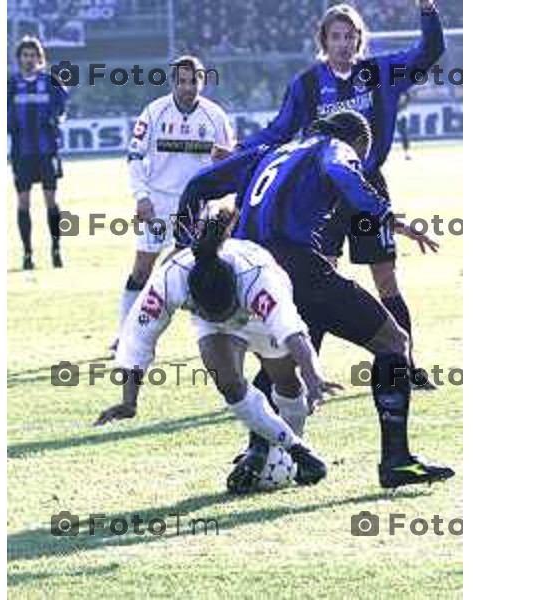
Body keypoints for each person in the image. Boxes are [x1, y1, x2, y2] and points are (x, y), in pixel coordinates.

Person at [175, 110, 454, 489]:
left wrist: (185, 245)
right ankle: (396, 461)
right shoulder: (335, 146)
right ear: (356, 141)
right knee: (393, 342)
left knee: (284, 354)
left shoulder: (271, 151)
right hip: (293, 263)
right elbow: (343, 173)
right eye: (362, 154)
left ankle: (257, 454)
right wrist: (385, 213)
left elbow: (198, 184)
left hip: (247, 270)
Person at [236, 1, 445, 386]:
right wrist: (238, 151)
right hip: (323, 193)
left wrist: (428, 10)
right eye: (336, 37)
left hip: (365, 185)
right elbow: (279, 132)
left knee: (386, 279)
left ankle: (406, 365)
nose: (344, 44)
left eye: (350, 36)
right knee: (319, 280)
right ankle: (296, 373)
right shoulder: (307, 84)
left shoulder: (380, 72)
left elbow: (429, 53)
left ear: (359, 39)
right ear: (324, 40)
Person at [95, 225, 337, 494]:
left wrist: (314, 377)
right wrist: (129, 400)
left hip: (257, 318)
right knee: (228, 383)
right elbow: (137, 338)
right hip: (214, 317)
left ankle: (291, 448)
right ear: (194, 301)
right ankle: (298, 450)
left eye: (223, 313)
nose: (221, 320)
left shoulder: (259, 281)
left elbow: (293, 333)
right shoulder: (171, 278)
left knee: (286, 383)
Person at [114, 55, 235, 351]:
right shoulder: (154, 113)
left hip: (195, 205)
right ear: (173, 82)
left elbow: (231, 159)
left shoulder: (215, 116)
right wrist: (141, 197)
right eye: (182, 81)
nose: (187, 87)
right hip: (157, 202)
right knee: (142, 269)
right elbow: (134, 157)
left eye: (193, 81)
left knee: (190, 267)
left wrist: (226, 158)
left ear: (202, 81)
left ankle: (216, 332)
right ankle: (124, 334)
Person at [7, 36, 68, 270]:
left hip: (47, 152)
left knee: (51, 200)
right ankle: (27, 254)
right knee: (23, 202)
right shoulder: (11, 84)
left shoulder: (50, 81)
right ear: (19, 58)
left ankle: (56, 249)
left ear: (39, 58)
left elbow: (63, 105)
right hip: (22, 153)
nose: (29, 59)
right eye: (25, 55)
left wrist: (54, 120)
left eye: (33, 55)